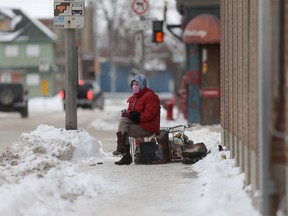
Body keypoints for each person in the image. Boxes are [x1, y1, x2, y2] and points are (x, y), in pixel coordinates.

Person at [113, 74, 161, 165]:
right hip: (139, 124)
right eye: (133, 84)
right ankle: (122, 151)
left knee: (124, 128)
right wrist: (128, 114)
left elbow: (150, 114)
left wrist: (138, 116)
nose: (134, 86)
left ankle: (124, 153)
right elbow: (131, 112)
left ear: (142, 85)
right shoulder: (133, 98)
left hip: (148, 127)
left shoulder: (150, 96)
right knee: (123, 120)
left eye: (137, 84)